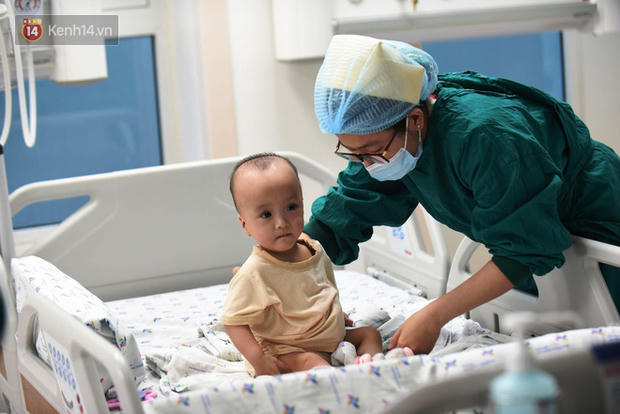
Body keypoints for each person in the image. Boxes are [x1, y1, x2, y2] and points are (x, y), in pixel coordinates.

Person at [304, 34, 620, 355]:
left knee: (604, 345)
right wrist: (282, 264)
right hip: (537, 235)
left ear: (415, 120)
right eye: (353, 153)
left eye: (371, 151)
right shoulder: (389, 140)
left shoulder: (485, 136)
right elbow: (344, 211)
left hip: (599, 223)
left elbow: (523, 249)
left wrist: (436, 314)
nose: (366, 164)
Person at [221, 153, 387, 377]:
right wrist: (258, 359)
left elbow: (322, 289)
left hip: (329, 337)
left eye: (291, 207)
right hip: (288, 349)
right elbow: (233, 322)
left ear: (302, 204)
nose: (281, 223)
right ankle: (340, 381)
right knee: (312, 361)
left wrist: (337, 315)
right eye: (266, 214)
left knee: (370, 334)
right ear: (245, 225)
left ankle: (373, 368)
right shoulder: (255, 272)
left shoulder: (314, 249)